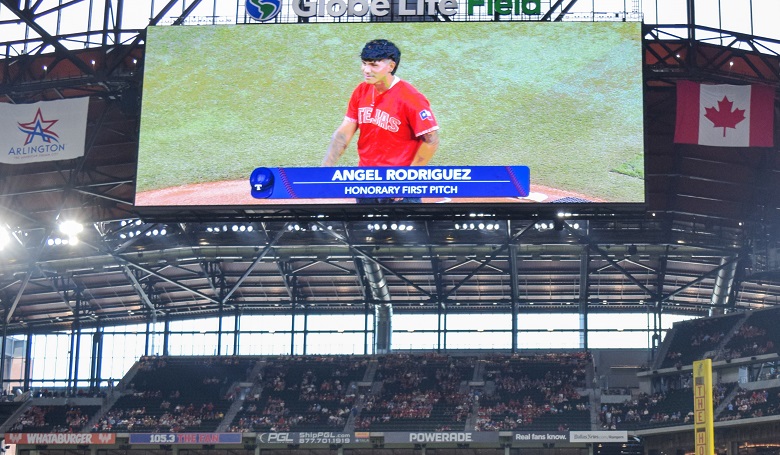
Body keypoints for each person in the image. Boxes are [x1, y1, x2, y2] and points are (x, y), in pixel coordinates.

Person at [321, 39, 440, 203]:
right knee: (362, 228)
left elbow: (431, 140)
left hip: (398, 185)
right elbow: (344, 133)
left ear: (391, 66)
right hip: (365, 181)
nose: (366, 70)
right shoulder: (361, 90)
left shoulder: (411, 98)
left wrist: (408, 180)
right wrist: (324, 169)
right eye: (364, 63)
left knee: (406, 228)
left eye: (373, 65)